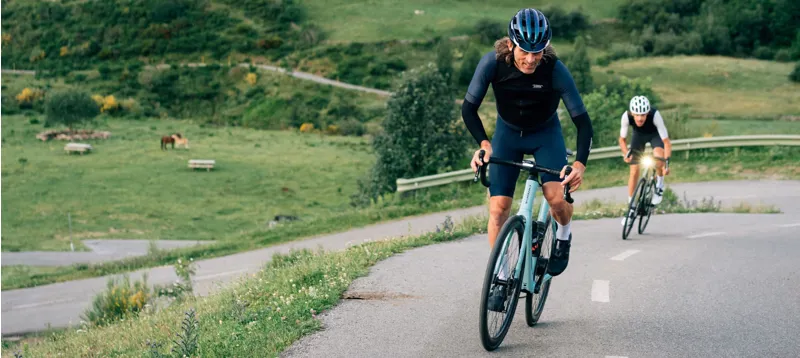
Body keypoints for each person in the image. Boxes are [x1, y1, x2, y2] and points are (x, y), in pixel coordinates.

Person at [462, 8, 594, 311]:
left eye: (538, 52)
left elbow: (583, 123)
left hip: (545, 134)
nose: (531, 59)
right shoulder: (492, 64)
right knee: (498, 210)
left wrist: (579, 165)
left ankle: (563, 235)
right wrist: (484, 144)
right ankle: (502, 277)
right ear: (511, 45)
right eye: (525, 51)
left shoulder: (555, 69)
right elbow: (468, 109)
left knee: (557, 199)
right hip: (507, 135)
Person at [618, 95, 671, 224]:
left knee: (658, 156)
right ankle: (631, 208)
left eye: (643, 115)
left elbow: (666, 142)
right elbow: (622, 140)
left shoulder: (655, 115)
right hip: (638, 137)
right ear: (632, 114)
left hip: (655, 136)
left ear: (647, 113)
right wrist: (626, 154)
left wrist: (667, 163)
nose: (640, 118)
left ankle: (659, 184)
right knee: (634, 170)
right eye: (637, 115)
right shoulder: (626, 117)